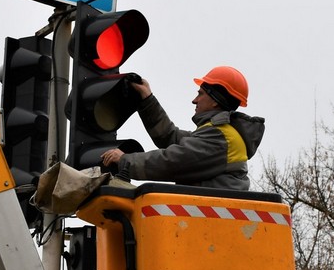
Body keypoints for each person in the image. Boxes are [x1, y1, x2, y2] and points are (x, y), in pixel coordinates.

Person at [100, 66, 264, 191]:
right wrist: (147, 99)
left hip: (209, 220)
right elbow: (170, 137)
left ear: (215, 101)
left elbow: (172, 161)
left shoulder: (220, 138)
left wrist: (125, 161)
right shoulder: (218, 134)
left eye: (200, 94)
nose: (194, 100)